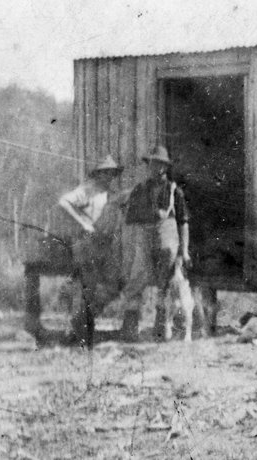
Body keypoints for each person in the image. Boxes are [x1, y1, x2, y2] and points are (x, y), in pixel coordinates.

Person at [117, 145, 192, 342]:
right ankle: (129, 328)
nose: (155, 168)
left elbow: (183, 222)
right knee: (136, 282)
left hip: (167, 245)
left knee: (164, 285)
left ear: (165, 167)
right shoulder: (140, 190)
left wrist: (184, 251)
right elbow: (130, 221)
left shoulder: (175, 191)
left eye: (159, 164)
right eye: (152, 163)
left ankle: (161, 329)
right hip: (144, 243)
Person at [56, 155, 124, 346]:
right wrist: (83, 223)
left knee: (114, 285)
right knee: (87, 286)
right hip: (86, 244)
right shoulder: (87, 189)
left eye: (112, 174)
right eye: (106, 173)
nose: (110, 177)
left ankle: (80, 320)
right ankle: (80, 331)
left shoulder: (109, 193)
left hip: (104, 245)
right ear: (99, 174)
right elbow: (64, 202)